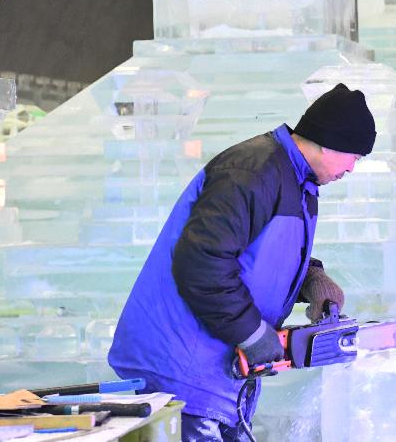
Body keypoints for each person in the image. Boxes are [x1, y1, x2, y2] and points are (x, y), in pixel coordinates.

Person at [108, 84, 376, 442]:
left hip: (216, 369)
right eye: (353, 156)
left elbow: (262, 249)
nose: (352, 169)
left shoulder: (294, 180)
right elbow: (202, 262)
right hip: (184, 370)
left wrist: (313, 281)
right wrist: (251, 333)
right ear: (328, 142)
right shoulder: (252, 172)